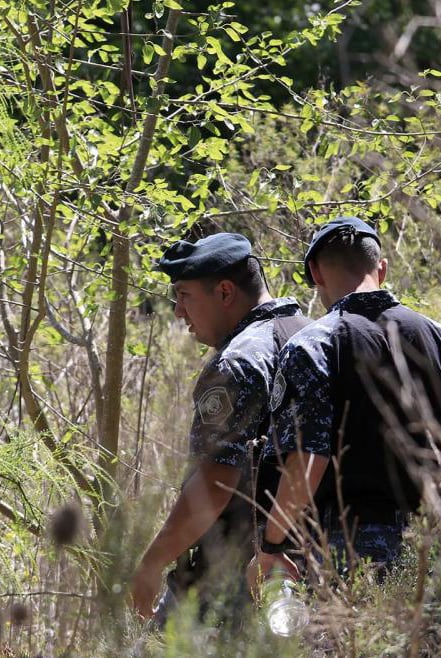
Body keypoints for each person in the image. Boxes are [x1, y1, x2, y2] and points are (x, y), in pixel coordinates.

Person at [247, 217, 441, 589]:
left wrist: (272, 545)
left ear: (316, 273)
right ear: (381, 268)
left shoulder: (312, 347)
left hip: (345, 561)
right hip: (430, 558)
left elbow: (309, 459)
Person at [130, 232, 308, 625]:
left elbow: (215, 481)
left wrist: (151, 564)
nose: (179, 311)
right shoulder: (312, 334)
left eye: (185, 296)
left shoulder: (238, 362)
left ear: (225, 292)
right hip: (311, 564)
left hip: (237, 575)